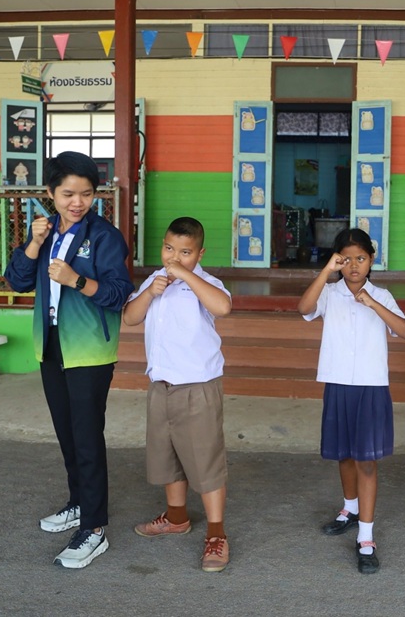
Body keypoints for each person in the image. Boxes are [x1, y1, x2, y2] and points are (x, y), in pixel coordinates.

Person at [4, 151, 133, 569]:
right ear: (50, 193)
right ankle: (79, 503)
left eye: (87, 194)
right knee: (67, 432)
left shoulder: (105, 236)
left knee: (87, 436)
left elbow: (118, 294)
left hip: (90, 350)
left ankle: (94, 529)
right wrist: (33, 243)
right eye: (68, 194)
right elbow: (17, 281)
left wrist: (77, 280)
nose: (77, 202)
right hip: (52, 343)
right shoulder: (43, 231)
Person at [298, 227, 405, 575]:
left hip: (370, 387)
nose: (354, 266)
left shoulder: (381, 295)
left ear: (372, 260)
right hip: (338, 384)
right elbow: (304, 308)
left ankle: (366, 535)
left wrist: (373, 304)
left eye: (360, 258)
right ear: (337, 261)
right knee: (344, 454)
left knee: (366, 461)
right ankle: (349, 508)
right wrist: (325, 271)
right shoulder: (329, 293)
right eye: (346, 260)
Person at [123, 217, 234, 572]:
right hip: (161, 385)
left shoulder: (206, 283)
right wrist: (150, 293)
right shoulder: (154, 281)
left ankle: (216, 534)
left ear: (200, 254)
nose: (174, 257)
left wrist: (187, 275)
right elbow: (130, 317)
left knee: (206, 461)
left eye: (185, 252)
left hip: (197, 387)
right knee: (167, 455)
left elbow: (223, 307)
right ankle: (176, 517)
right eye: (169, 248)